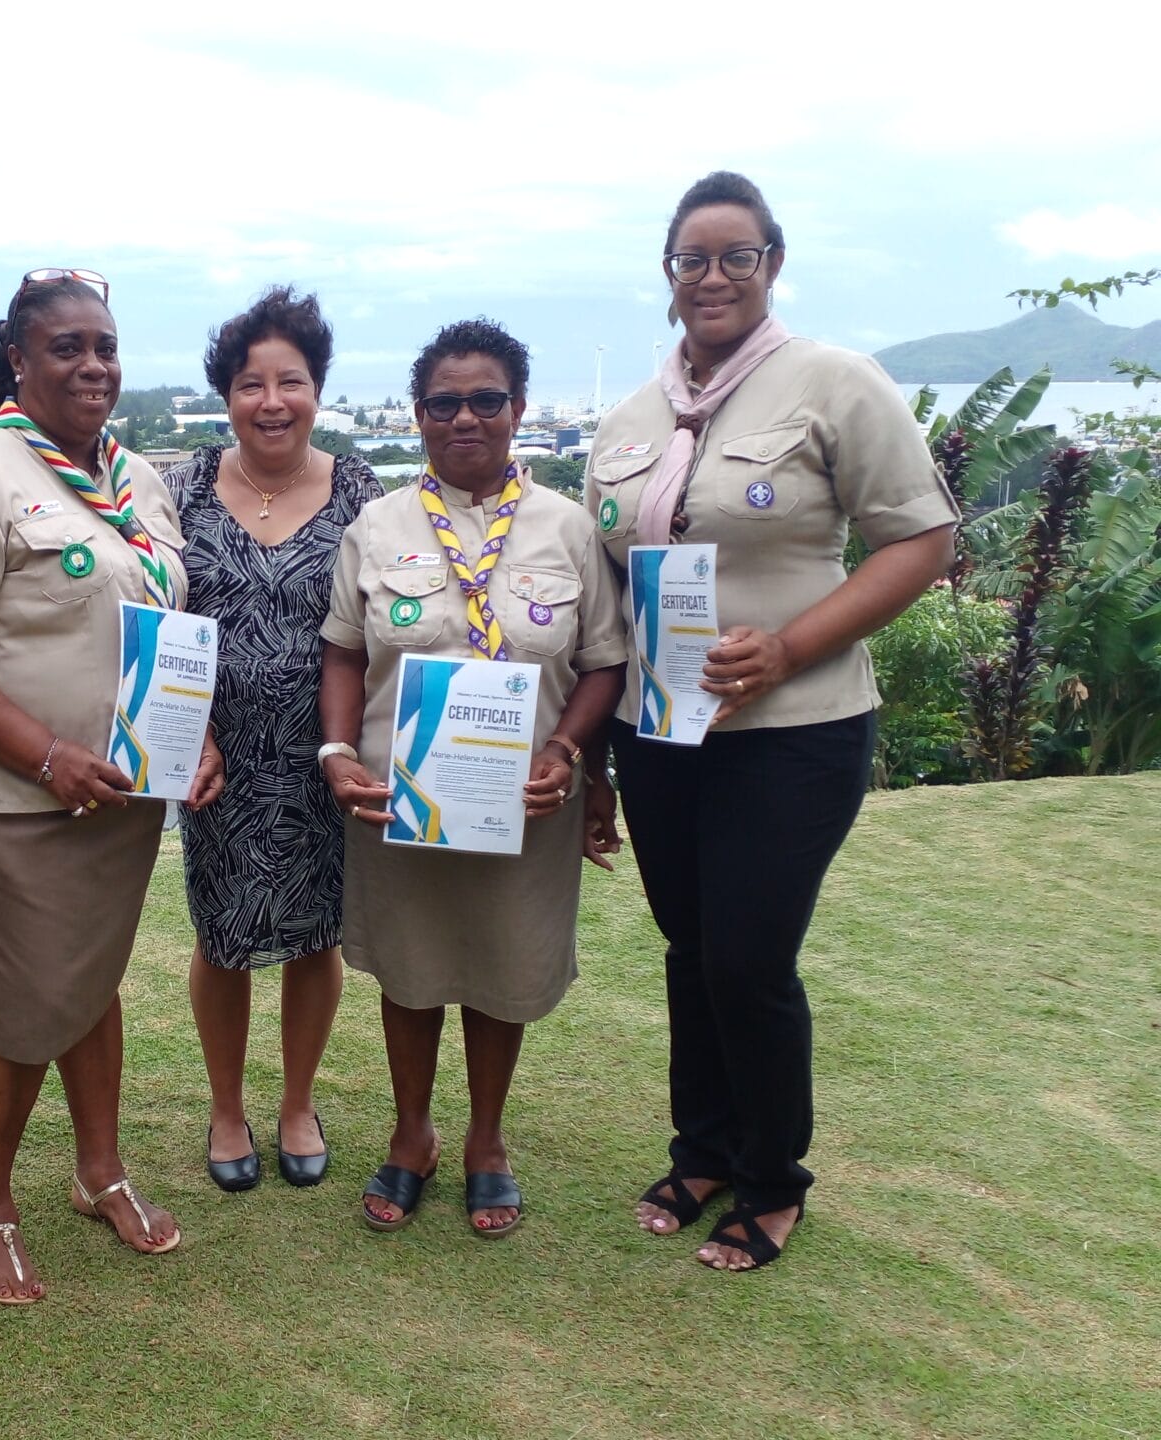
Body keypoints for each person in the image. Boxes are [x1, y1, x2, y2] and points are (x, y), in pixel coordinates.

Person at [584, 171, 958, 1271]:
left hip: (794, 729)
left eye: (734, 255)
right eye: (691, 258)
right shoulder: (633, 417)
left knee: (748, 958)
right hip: (659, 733)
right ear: (669, 276)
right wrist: (596, 747)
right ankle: (700, 1149)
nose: (711, 276)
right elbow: (614, 585)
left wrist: (790, 645)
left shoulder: (834, 384)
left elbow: (920, 542)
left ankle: (771, 1178)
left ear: (771, 266)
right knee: (690, 946)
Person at [0, 269, 224, 1304]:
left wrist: (191, 737)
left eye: (106, 347)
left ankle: (98, 1171)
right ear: (18, 361)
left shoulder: (135, 481)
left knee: (88, 982)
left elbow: (162, 633)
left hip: (119, 802)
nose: (93, 364)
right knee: (13, 1008)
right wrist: (44, 754)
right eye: (67, 347)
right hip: (25, 801)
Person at [318, 319, 627, 1236]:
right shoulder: (376, 527)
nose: (465, 418)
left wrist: (568, 751)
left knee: (505, 963)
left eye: (485, 399)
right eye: (444, 402)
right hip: (398, 799)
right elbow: (340, 652)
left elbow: (604, 661)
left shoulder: (566, 527)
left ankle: (486, 1139)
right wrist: (336, 754)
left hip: (528, 804)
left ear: (518, 410)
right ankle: (411, 1134)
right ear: (418, 416)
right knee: (410, 971)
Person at [164, 287, 382, 1192]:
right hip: (215, 755)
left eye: (290, 380)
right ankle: (225, 1105)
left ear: (317, 389)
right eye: (251, 383)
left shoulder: (363, 490)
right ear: (227, 395)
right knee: (222, 937)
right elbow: (151, 608)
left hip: (324, 754)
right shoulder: (179, 488)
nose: (272, 400)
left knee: (313, 935)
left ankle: (297, 1099)